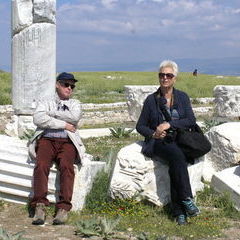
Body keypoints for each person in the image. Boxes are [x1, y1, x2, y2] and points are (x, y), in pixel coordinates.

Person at [136, 60, 200, 225]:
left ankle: (179, 212)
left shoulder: (182, 97)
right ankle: (186, 199)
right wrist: (154, 133)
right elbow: (140, 126)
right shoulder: (151, 100)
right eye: (161, 75)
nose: (164, 78)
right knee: (178, 156)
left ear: (174, 78)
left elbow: (191, 121)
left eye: (168, 75)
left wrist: (170, 124)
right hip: (159, 142)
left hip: (180, 139)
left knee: (176, 163)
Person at [28, 72, 86, 225]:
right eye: (66, 84)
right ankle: (39, 206)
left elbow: (75, 117)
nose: (70, 89)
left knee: (67, 166)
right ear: (57, 84)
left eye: (72, 86)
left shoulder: (75, 103)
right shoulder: (45, 101)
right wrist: (64, 124)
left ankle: (63, 208)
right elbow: (38, 119)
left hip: (67, 141)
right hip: (47, 139)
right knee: (41, 165)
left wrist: (52, 115)